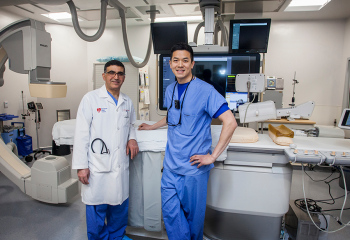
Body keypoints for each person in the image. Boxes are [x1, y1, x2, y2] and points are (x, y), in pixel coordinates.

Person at [138, 43, 237, 240]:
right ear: (170, 63)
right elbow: (174, 115)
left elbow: (230, 122)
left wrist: (212, 156)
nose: (180, 65)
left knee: (194, 221)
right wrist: (152, 126)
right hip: (171, 167)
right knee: (171, 214)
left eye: (185, 60)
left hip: (193, 169)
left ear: (192, 64)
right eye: (176, 60)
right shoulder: (170, 88)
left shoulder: (206, 91)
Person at [72, 60, 139, 240]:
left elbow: (131, 124)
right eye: (111, 73)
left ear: (124, 77)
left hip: (120, 166)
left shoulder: (127, 101)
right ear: (104, 76)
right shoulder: (91, 99)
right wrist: (81, 166)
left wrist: (132, 137)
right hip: (97, 166)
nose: (115, 77)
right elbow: (81, 134)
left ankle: (117, 237)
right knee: (96, 209)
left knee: (119, 208)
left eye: (119, 73)